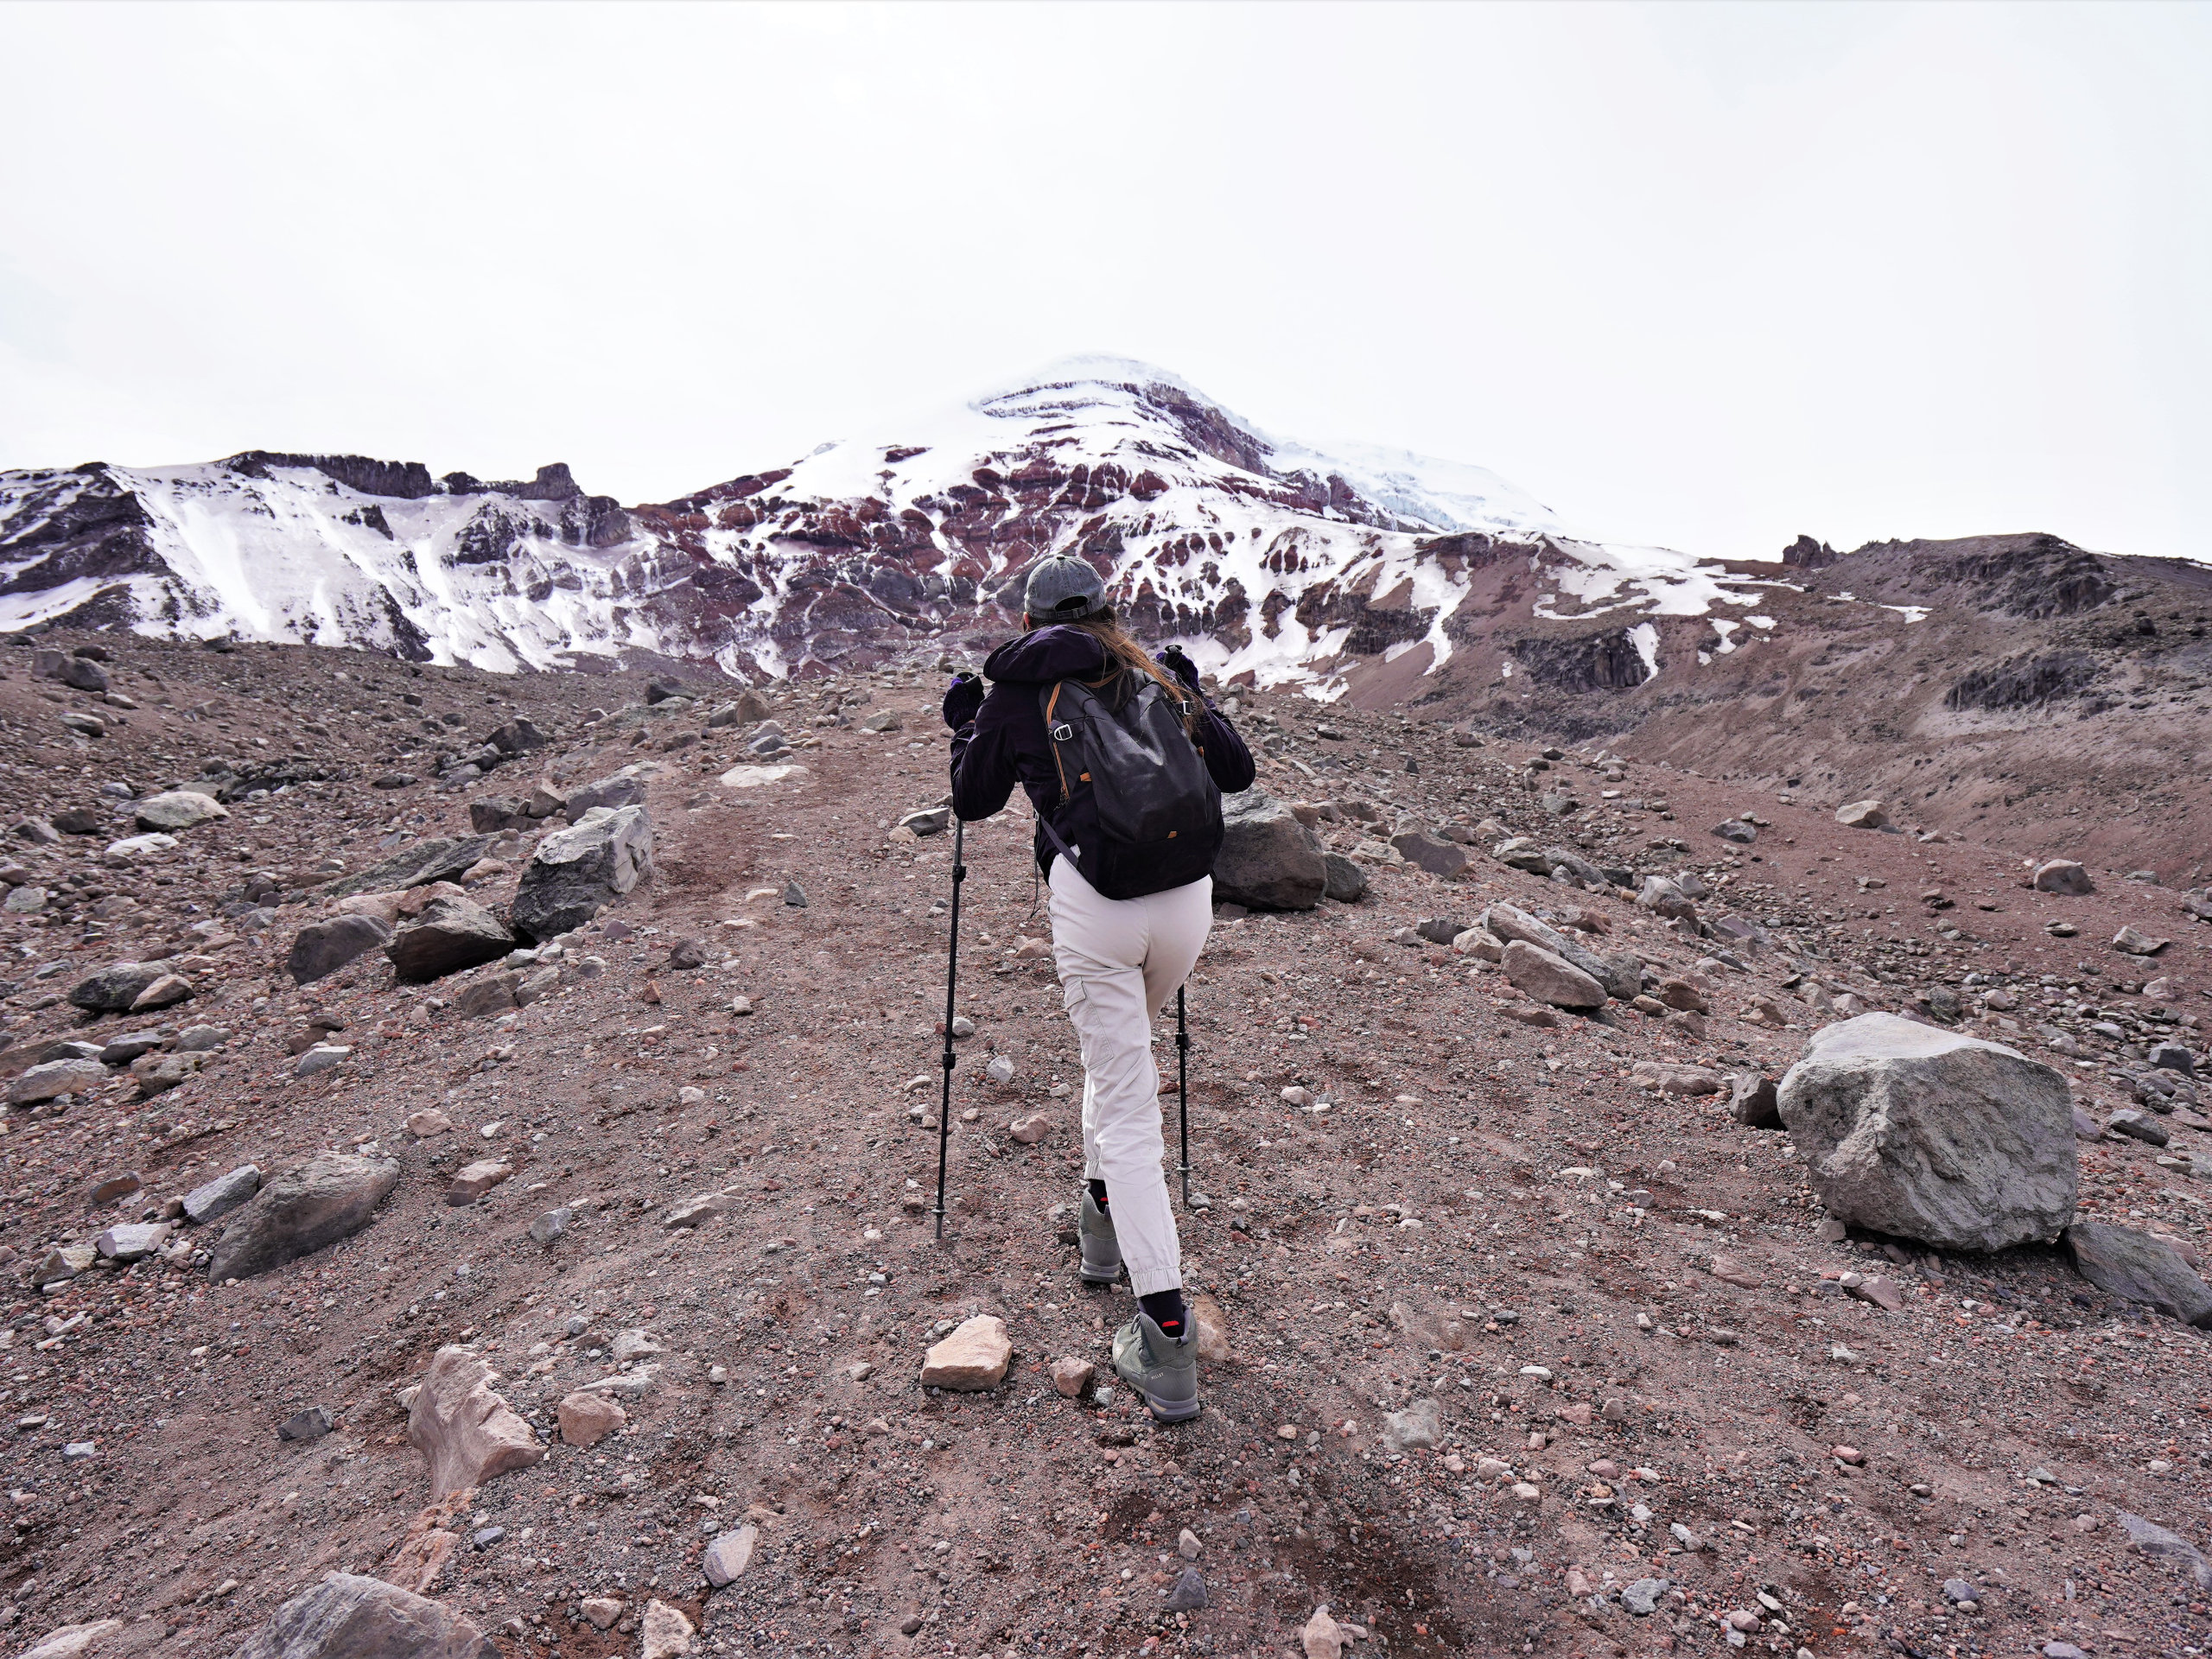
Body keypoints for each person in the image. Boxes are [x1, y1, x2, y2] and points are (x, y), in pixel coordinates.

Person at [944, 553, 1254, 1421]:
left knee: (1125, 1109)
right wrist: (1196, 695)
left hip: (1097, 909)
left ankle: (1164, 1335)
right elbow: (1236, 773)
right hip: (1187, 904)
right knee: (1117, 1076)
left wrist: (966, 724)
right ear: (1108, 610)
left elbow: (972, 801)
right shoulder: (1151, 671)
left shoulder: (1017, 690)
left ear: (1032, 620)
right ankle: (1098, 1223)